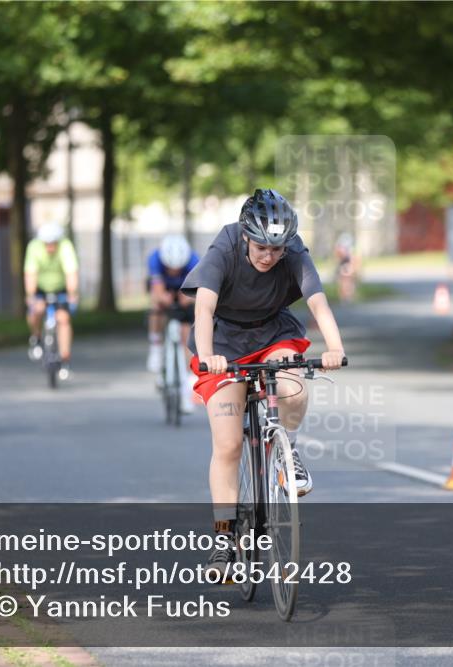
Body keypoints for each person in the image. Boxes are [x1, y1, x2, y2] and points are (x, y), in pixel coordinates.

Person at [179, 188, 346, 575]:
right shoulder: (224, 246)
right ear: (245, 236)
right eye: (262, 248)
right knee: (229, 442)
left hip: (273, 333)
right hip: (224, 343)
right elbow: (203, 306)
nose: (270, 256)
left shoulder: (294, 251)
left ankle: (288, 451)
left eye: (277, 249)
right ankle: (223, 538)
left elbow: (317, 301)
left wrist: (335, 348)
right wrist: (207, 357)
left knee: (293, 386)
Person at [146, 234, 200, 412]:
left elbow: (198, 292)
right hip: (164, 289)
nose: (174, 272)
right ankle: (156, 344)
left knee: (187, 332)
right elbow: (156, 290)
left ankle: (187, 383)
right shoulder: (155, 259)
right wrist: (163, 298)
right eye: (170, 268)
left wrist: (188, 298)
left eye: (178, 269)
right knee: (156, 306)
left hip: (186, 288)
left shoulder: (194, 260)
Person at [24, 223, 79, 380]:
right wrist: (30, 295)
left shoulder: (65, 247)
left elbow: (71, 272)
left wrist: (72, 293)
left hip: (60, 289)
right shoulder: (34, 247)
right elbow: (30, 274)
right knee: (37, 310)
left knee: (63, 318)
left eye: (53, 244)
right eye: (46, 244)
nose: (50, 248)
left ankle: (65, 358)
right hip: (40, 289)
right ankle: (36, 337)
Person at [334, 233, 360, 303]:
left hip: (348, 266)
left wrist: (353, 269)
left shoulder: (351, 251)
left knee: (349, 282)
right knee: (344, 282)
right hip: (344, 266)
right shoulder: (341, 249)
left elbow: (355, 259)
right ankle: (344, 297)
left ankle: (349, 297)